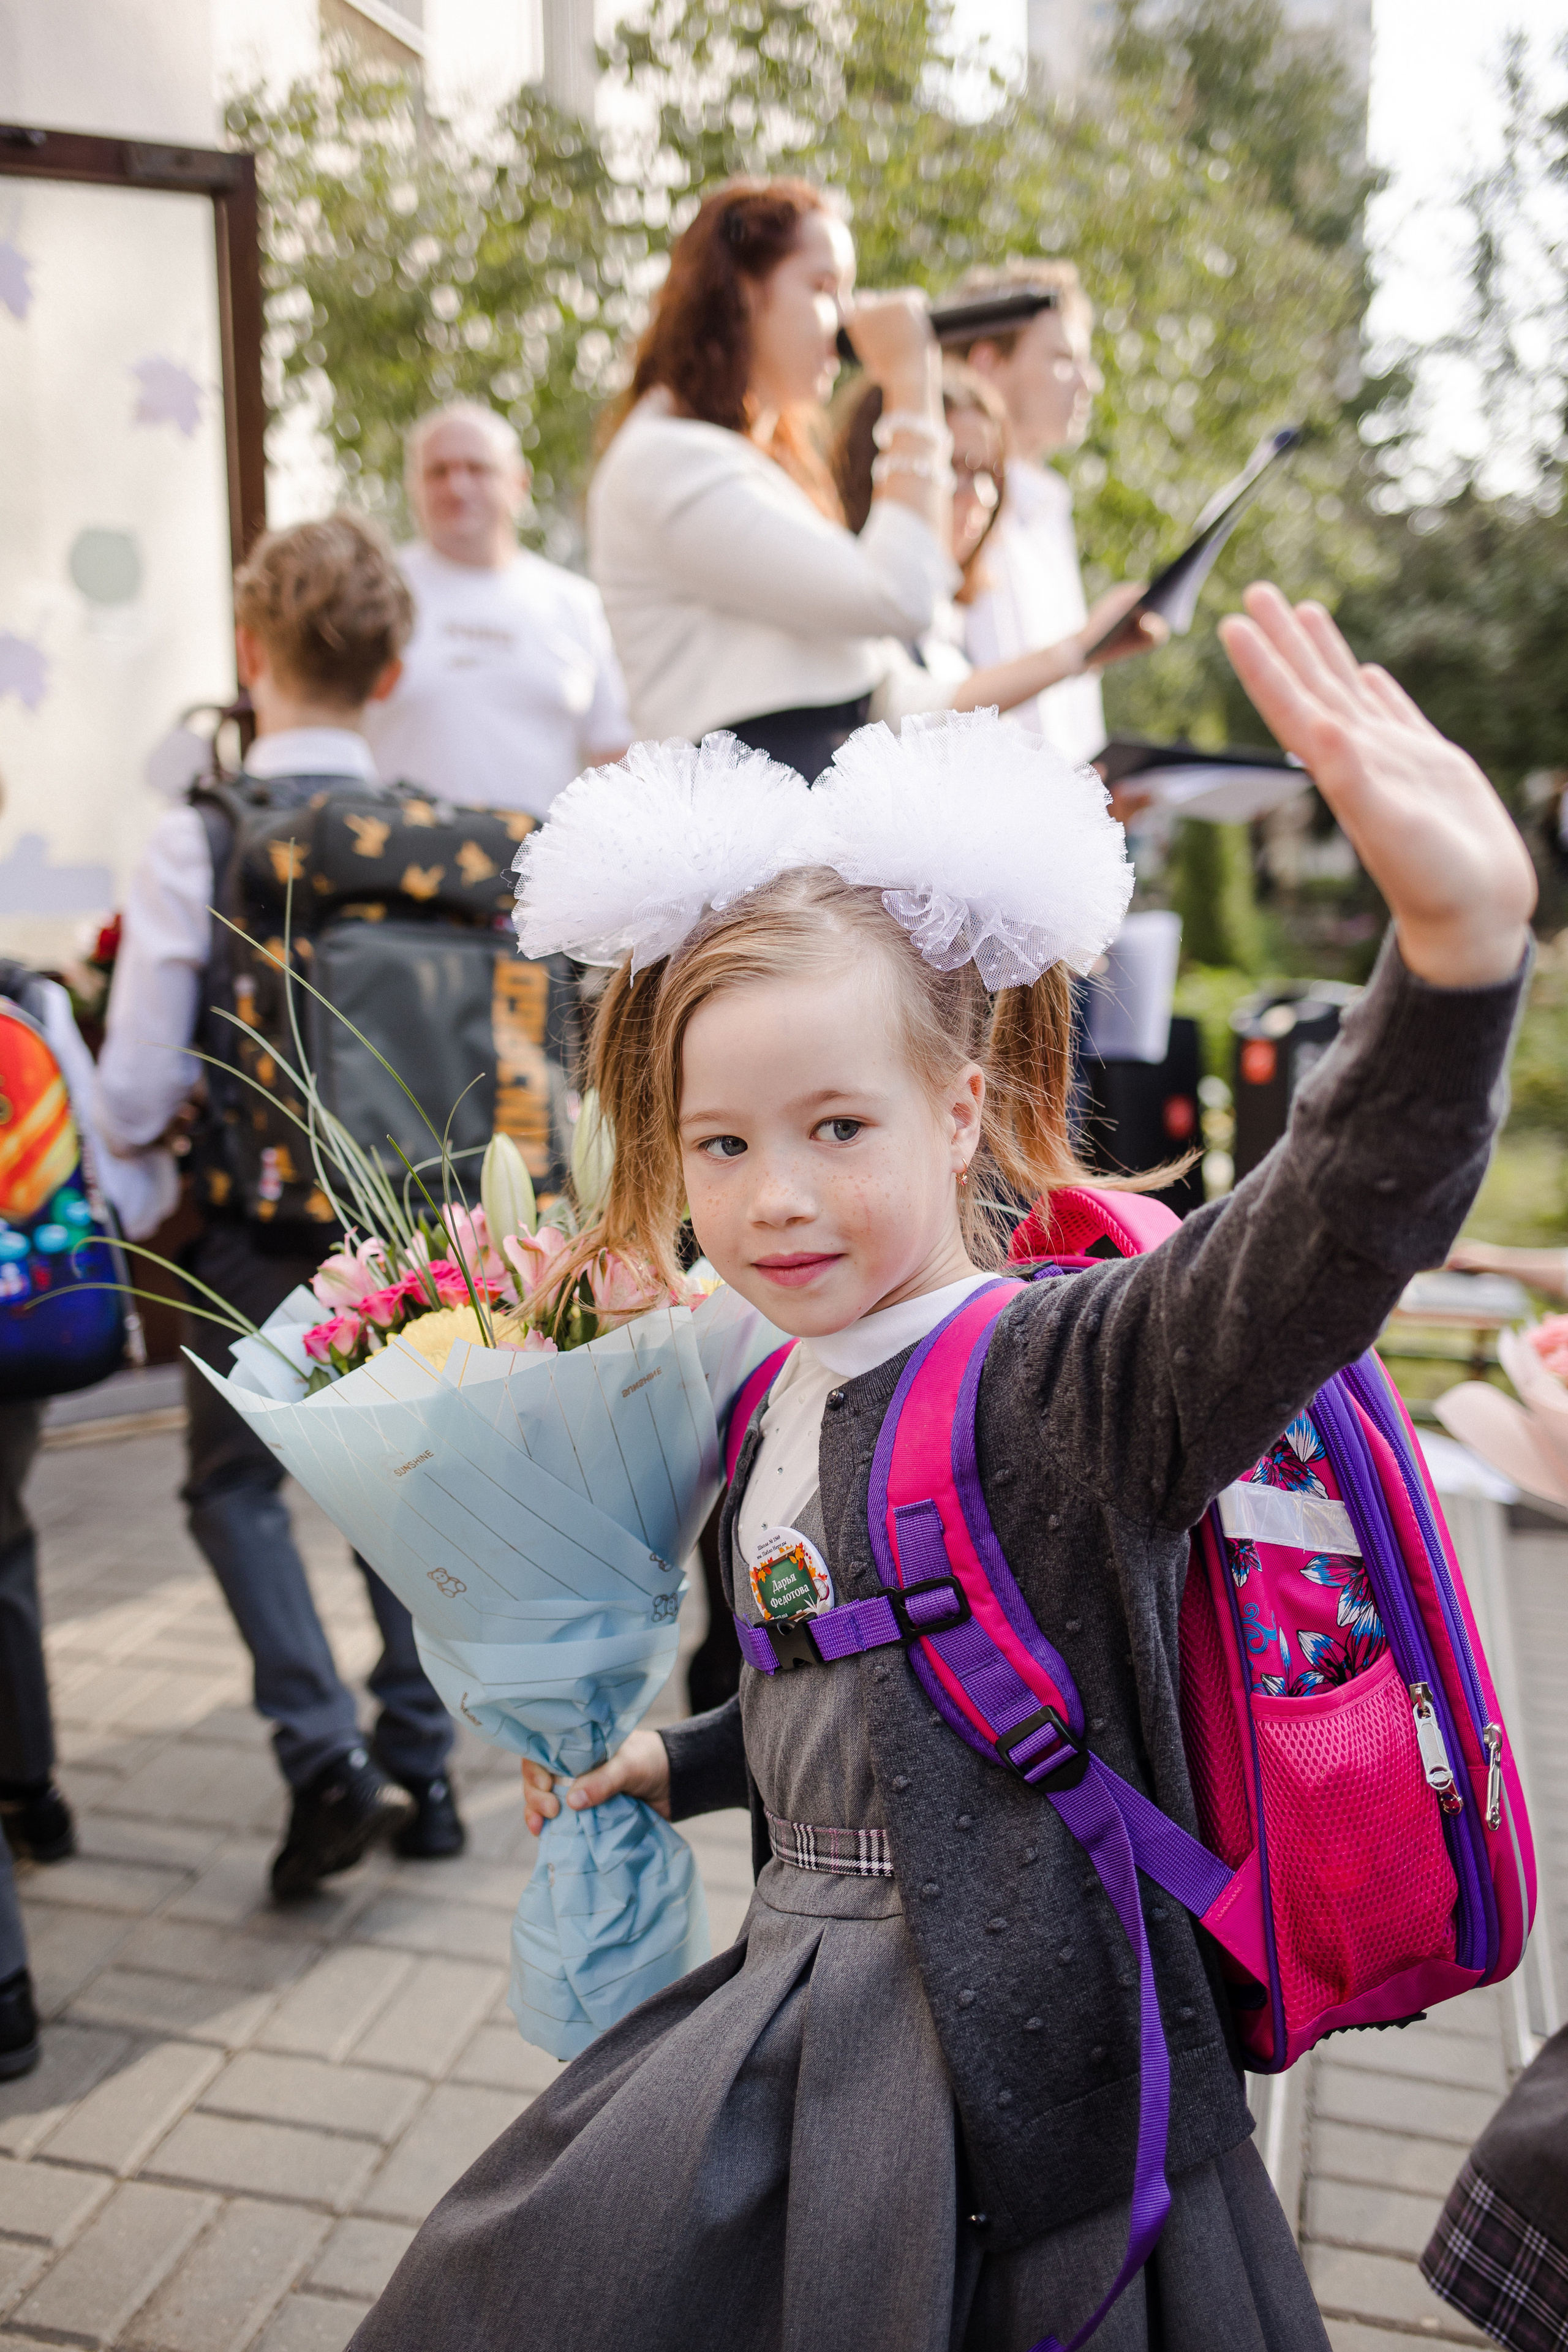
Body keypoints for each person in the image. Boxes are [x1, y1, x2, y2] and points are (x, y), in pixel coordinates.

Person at [344, 584, 1535, 2352]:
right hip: (803, 1995)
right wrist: (674, 1760)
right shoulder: (770, 1386)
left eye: (838, 1127)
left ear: (958, 1109)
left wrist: (1454, 963)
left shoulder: (1070, 1377)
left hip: (1040, 2097)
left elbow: (1323, 1237)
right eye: (720, 1143)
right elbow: (854, 1683)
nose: (774, 1198)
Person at [94, 514, 466, 1902]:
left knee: (234, 1485)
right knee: (397, 1486)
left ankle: (324, 1760)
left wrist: (145, 1146)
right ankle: (428, 1766)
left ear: (250, 652)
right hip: (414, 1229)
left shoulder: (200, 838)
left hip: (255, 1234)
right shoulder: (434, 831)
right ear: (390, 673)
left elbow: (137, 1084)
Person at [589, 177, 971, 782]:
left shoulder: (744, 464)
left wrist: (1072, 653)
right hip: (751, 816)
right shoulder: (666, 461)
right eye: (822, 287)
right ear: (741, 291)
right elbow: (901, 597)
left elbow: (885, 682)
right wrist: (909, 382)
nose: (848, 319)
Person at [832, 362, 1163, 726]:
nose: (983, 496)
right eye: (955, 467)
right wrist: (1078, 649)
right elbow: (905, 713)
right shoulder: (845, 599)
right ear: (881, 468)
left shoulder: (950, 622)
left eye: (989, 473)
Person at [362, 402, 631, 816]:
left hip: (540, 854)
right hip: (397, 849)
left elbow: (615, 756)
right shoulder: (372, 593)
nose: (457, 486)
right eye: (438, 471)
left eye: (478, 469)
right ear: (413, 486)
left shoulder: (575, 603)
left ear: (519, 484)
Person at [947, 258, 1115, 763]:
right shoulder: (945, 501)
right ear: (987, 363)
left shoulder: (1049, 508)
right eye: (1063, 359)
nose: (1089, 382)